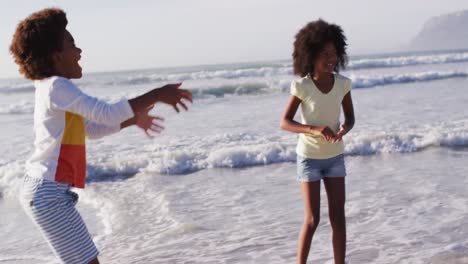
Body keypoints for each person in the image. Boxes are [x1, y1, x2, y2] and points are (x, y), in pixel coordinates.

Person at [10, 8, 192, 264]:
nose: (79, 51)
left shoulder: (53, 88)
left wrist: (132, 120)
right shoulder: (56, 86)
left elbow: (90, 129)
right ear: (56, 56)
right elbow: (106, 113)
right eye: (72, 44)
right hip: (47, 193)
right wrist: (157, 94)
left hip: (46, 191)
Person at [280, 19, 355, 264]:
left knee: (338, 217)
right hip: (309, 159)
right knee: (313, 220)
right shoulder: (302, 86)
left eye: (334, 53)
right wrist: (314, 129)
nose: (331, 58)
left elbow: (351, 117)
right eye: (325, 54)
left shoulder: (343, 84)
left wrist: (344, 128)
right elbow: (285, 122)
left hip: (334, 157)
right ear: (311, 55)